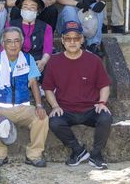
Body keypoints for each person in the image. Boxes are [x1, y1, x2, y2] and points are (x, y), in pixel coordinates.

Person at [43, 20, 112, 170]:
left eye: (76, 38)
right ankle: (78, 151)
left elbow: (104, 85)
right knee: (54, 122)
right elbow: (48, 88)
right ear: (62, 40)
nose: (72, 42)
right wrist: (55, 106)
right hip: (66, 110)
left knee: (106, 118)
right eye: (68, 38)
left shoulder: (94, 60)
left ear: (82, 40)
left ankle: (96, 155)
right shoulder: (54, 62)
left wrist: (102, 102)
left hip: (90, 109)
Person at [0, 26, 49, 168]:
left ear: (21, 42)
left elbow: (34, 83)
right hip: (2, 109)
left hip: (23, 108)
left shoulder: (28, 59)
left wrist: (39, 105)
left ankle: (34, 155)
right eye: (9, 41)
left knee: (42, 118)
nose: (13, 45)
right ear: (3, 43)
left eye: (16, 41)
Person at [7, 0, 54, 78]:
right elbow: (4, 47)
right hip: (15, 59)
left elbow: (48, 49)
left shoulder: (46, 27)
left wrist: (43, 62)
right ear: (21, 9)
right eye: (25, 7)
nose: (28, 10)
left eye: (32, 7)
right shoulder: (11, 25)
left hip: (37, 60)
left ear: (37, 11)